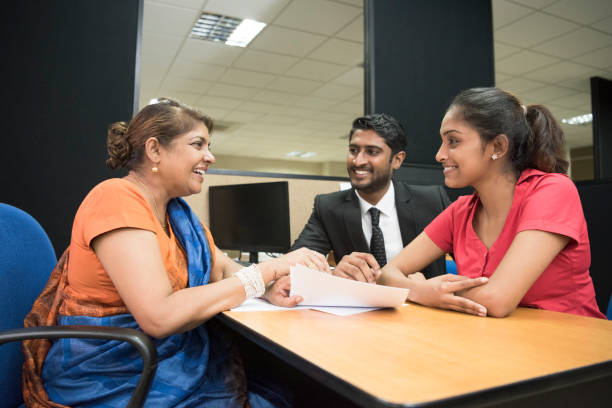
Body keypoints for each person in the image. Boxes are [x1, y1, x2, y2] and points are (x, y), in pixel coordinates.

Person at [22, 98, 331, 407]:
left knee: (290, 389)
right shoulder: (115, 199)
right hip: (113, 376)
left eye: (209, 146)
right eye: (198, 144)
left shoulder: (178, 214)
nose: (209, 156)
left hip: (164, 361)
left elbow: (221, 269)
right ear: (155, 149)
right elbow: (159, 316)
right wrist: (268, 271)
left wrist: (270, 288)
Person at [378, 87, 605, 319]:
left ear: (497, 147)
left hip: (573, 345)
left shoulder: (553, 190)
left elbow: (496, 300)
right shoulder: (461, 211)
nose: (439, 155)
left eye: (453, 141)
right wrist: (422, 290)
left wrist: (426, 290)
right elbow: (387, 274)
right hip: (498, 342)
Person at [292, 113, 450, 283]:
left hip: (422, 306)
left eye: (372, 152)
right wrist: (333, 272)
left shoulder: (433, 201)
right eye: (353, 151)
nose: (358, 161)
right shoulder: (328, 207)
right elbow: (294, 267)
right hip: (360, 307)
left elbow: (474, 267)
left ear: (397, 160)